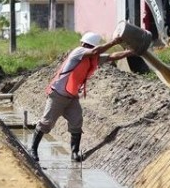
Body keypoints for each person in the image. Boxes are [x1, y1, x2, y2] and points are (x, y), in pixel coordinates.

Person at [30, 32, 134, 162]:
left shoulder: (93, 58)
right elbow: (96, 51)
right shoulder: (78, 52)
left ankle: (74, 153)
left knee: (76, 122)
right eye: (89, 47)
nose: (88, 48)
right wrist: (114, 42)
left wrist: (130, 52)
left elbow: (112, 56)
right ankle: (33, 149)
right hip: (58, 94)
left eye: (89, 46)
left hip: (72, 97)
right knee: (46, 123)